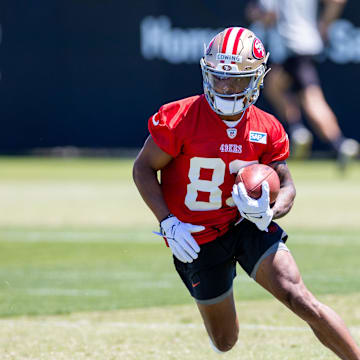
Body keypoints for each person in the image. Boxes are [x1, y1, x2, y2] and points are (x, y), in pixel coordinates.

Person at [133, 27, 360, 358]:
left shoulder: (266, 127)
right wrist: (167, 221)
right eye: (218, 77)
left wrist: (270, 211)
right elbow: (142, 168)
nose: (225, 86)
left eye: (237, 79)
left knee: (299, 297)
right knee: (226, 340)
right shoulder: (180, 117)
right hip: (195, 238)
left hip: (246, 224)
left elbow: (287, 186)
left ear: (257, 78)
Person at [249, 0, 359, 167]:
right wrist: (324, 24)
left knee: (310, 98)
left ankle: (337, 142)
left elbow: (269, 14)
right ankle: (300, 130)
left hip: (290, 46)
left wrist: (256, 15)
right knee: (275, 86)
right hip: (305, 44)